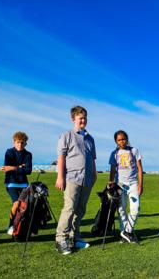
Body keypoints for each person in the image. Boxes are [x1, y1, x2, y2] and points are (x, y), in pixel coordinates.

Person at [55, 106, 97, 255]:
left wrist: (94, 174)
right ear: (73, 119)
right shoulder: (67, 135)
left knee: (80, 210)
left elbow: (92, 158)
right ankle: (61, 240)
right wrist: (60, 177)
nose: (83, 120)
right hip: (72, 177)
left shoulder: (90, 139)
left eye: (85, 118)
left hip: (87, 179)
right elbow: (61, 158)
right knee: (69, 208)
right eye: (80, 118)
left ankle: (75, 237)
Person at [108, 130, 143, 243]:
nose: (121, 141)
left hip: (133, 183)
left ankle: (127, 231)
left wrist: (140, 185)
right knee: (121, 209)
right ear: (116, 141)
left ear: (127, 139)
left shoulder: (134, 150)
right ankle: (124, 233)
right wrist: (111, 182)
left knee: (136, 209)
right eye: (119, 140)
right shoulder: (114, 153)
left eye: (123, 139)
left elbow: (140, 169)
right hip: (120, 185)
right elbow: (113, 170)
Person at [1, 131, 32, 235]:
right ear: (14, 142)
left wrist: (14, 167)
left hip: (24, 184)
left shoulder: (28, 154)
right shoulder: (9, 152)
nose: (20, 145)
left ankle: (25, 226)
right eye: (18, 142)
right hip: (11, 183)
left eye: (23, 143)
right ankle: (11, 225)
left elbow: (29, 170)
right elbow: (7, 168)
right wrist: (20, 167)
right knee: (16, 203)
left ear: (26, 143)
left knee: (26, 205)